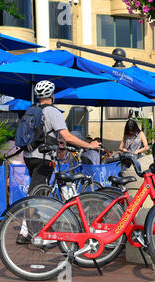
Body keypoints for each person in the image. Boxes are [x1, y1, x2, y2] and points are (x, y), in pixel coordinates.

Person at [19, 80, 100, 244]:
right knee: (36, 194)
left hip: (29, 156)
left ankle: (29, 229)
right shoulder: (52, 111)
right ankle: (35, 233)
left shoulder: (32, 109)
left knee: (39, 190)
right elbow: (68, 136)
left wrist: (60, 145)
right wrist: (89, 145)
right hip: (44, 158)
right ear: (51, 95)